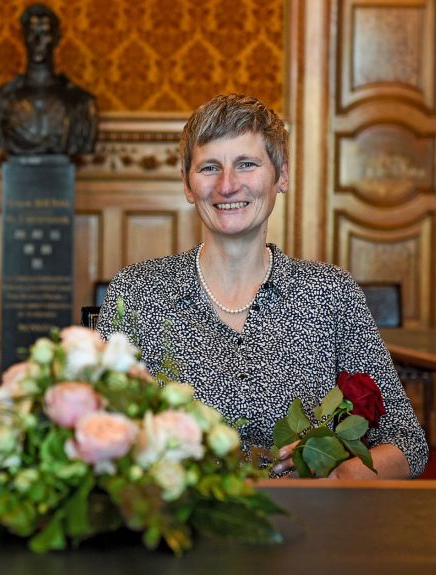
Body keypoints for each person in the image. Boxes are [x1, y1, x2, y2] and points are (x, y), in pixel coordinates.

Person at [97, 94, 428, 479]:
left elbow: (407, 441)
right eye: (209, 168)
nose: (227, 185)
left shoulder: (332, 293)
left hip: (309, 528)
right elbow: (99, 439)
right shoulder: (138, 292)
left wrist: (340, 479)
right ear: (187, 184)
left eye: (246, 164)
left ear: (281, 176)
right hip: (179, 527)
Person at [0, 3, 97, 156]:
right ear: (23, 37)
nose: (37, 41)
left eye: (44, 34)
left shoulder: (82, 104)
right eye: (32, 33)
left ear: (56, 38)